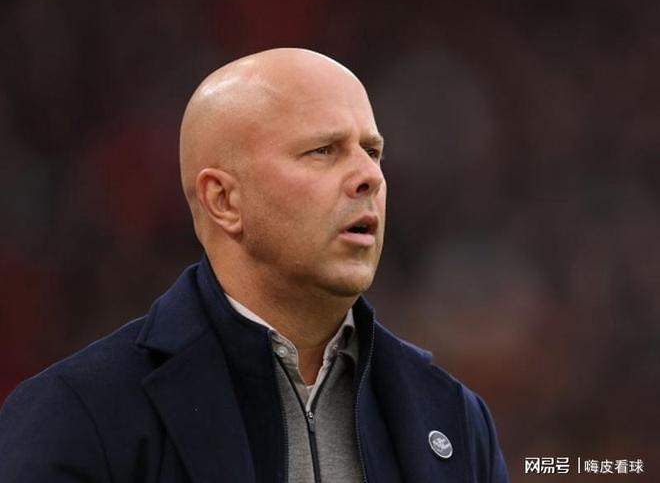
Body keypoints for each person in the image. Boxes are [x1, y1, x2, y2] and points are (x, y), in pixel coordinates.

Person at [0, 48, 509, 482]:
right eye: (323, 150)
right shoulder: (77, 415)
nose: (369, 177)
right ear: (223, 200)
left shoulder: (453, 415)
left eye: (372, 152)